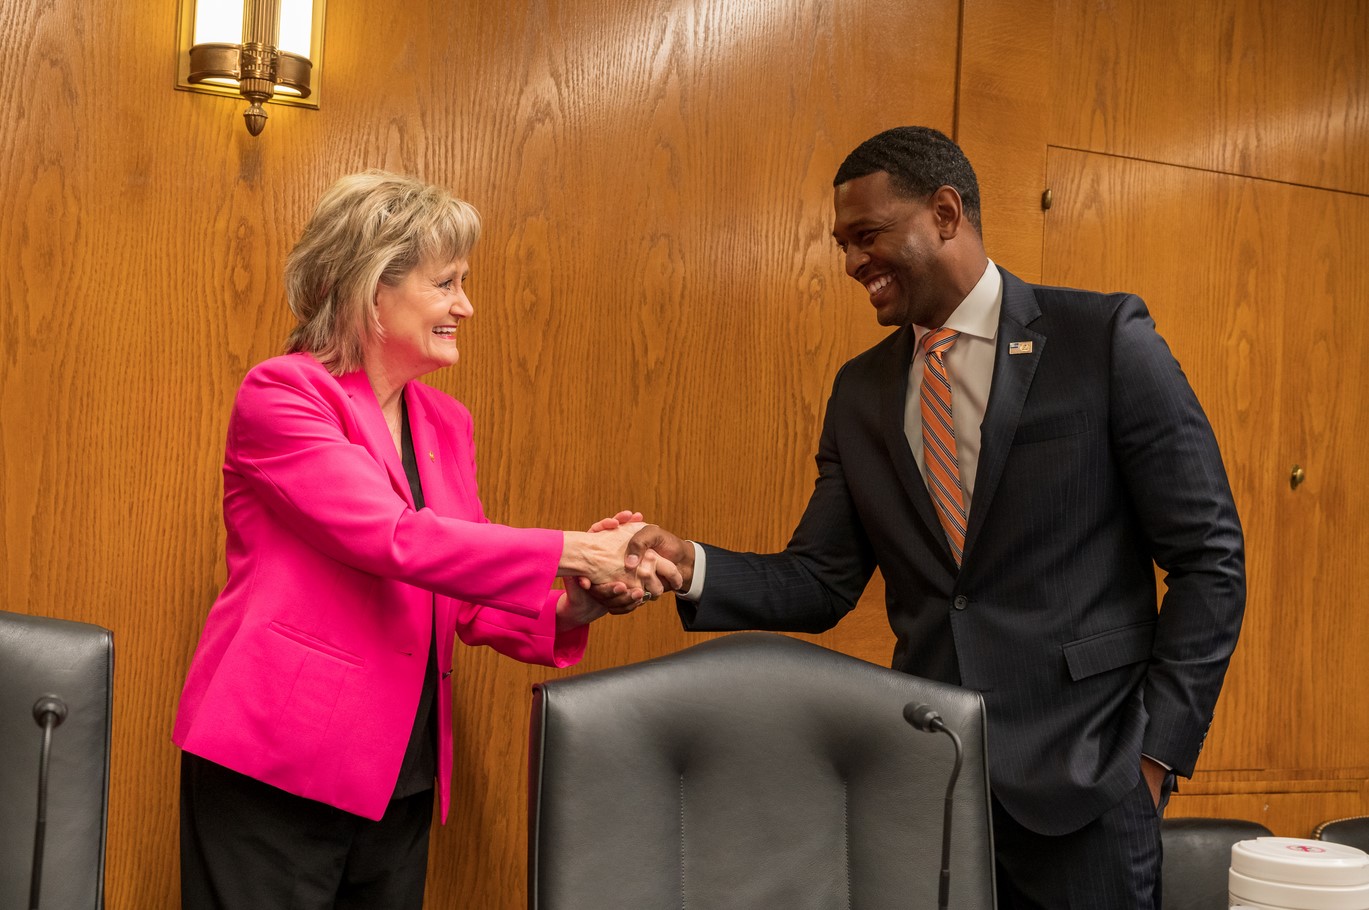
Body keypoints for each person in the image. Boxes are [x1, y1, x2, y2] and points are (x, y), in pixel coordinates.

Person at [593, 127, 1245, 907]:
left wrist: (1153, 758)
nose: (851, 262)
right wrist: (688, 563)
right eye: (842, 244)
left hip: (1090, 790)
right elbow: (820, 579)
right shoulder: (860, 391)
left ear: (944, 213)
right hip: (926, 792)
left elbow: (1208, 558)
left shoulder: (1101, 340)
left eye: (866, 235)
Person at [173, 170, 676, 910]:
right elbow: (392, 537)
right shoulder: (283, 393)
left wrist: (576, 601)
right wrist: (575, 547)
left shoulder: (445, 422)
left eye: (463, 284)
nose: (465, 306)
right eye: (445, 284)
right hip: (279, 763)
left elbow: (460, 589)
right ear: (369, 289)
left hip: (401, 770)